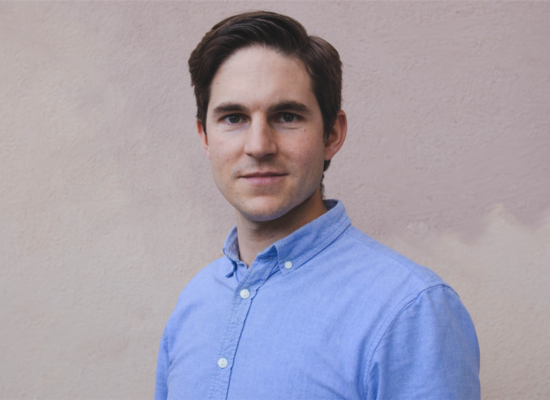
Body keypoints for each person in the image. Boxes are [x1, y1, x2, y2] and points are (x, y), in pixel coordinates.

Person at [155, 11, 480, 400]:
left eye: (287, 116)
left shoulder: (410, 310)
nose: (258, 145)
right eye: (234, 117)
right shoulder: (194, 303)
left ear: (332, 134)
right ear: (205, 136)